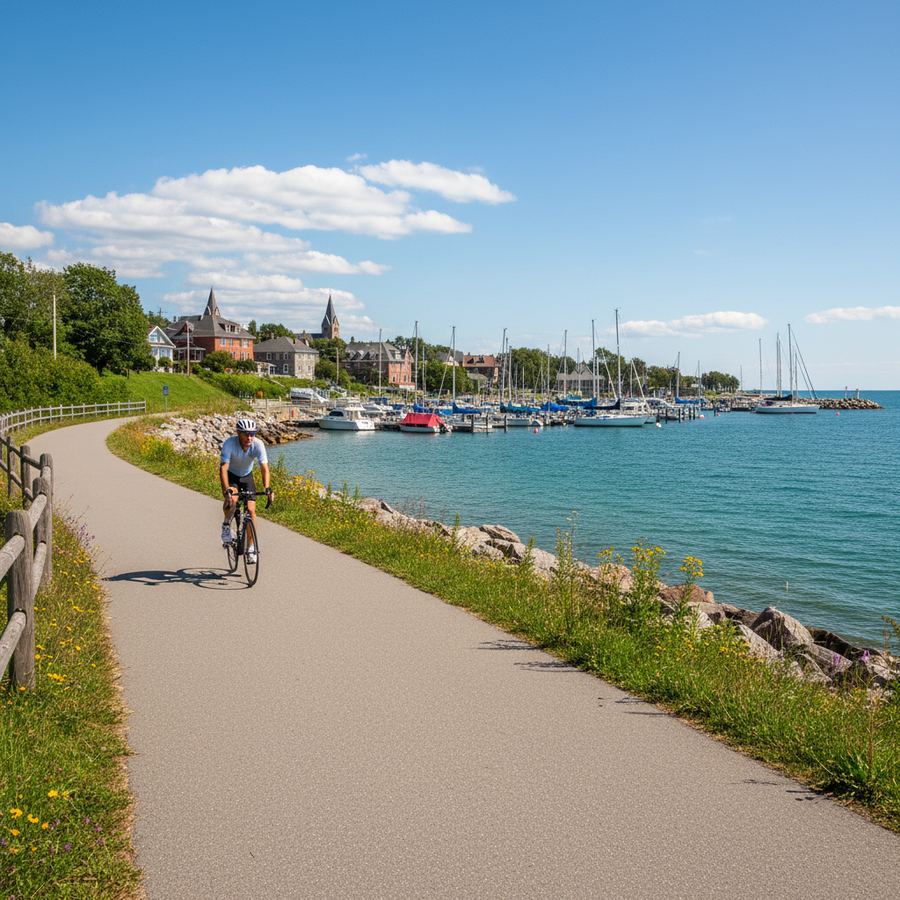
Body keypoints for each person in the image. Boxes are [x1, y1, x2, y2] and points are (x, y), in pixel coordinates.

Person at [219, 418, 274, 563]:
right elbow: (223, 468)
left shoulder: (258, 444)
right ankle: (226, 526)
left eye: (252, 434)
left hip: (247, 477)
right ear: (238, 433)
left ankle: (251, 548)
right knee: (233, 500)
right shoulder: (230, 444)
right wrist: (227, 490)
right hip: (232, 476)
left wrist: (267, 488)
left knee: (251, 511)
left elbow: (264, 468)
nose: (250, 437)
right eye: (246, 434)